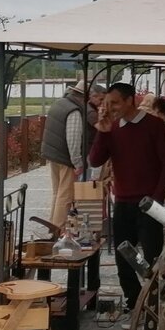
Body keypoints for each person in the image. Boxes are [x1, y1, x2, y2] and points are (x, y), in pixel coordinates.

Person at [89, 83, 165, 324]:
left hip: (148, 204)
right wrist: (102, 131)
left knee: (152, 259)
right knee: (123, 258)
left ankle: (154, 306)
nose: (110, 108)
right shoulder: (112, 128)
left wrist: (156, 200)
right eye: (106, 103)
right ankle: (135, 304)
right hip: (123, 203)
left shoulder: (154, 125)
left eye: (115, 103)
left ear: (130, 101)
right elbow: (95, 160)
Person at [40, 80, 104, 230]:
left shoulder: (60, 103)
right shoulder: (74, 110)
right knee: (66, 196)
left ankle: (52, 226)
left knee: (57, 193)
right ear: (84, 96)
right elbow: (73, 140)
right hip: (65, 157)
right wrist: (78, 163)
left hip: (53, 154)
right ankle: (59, 229)